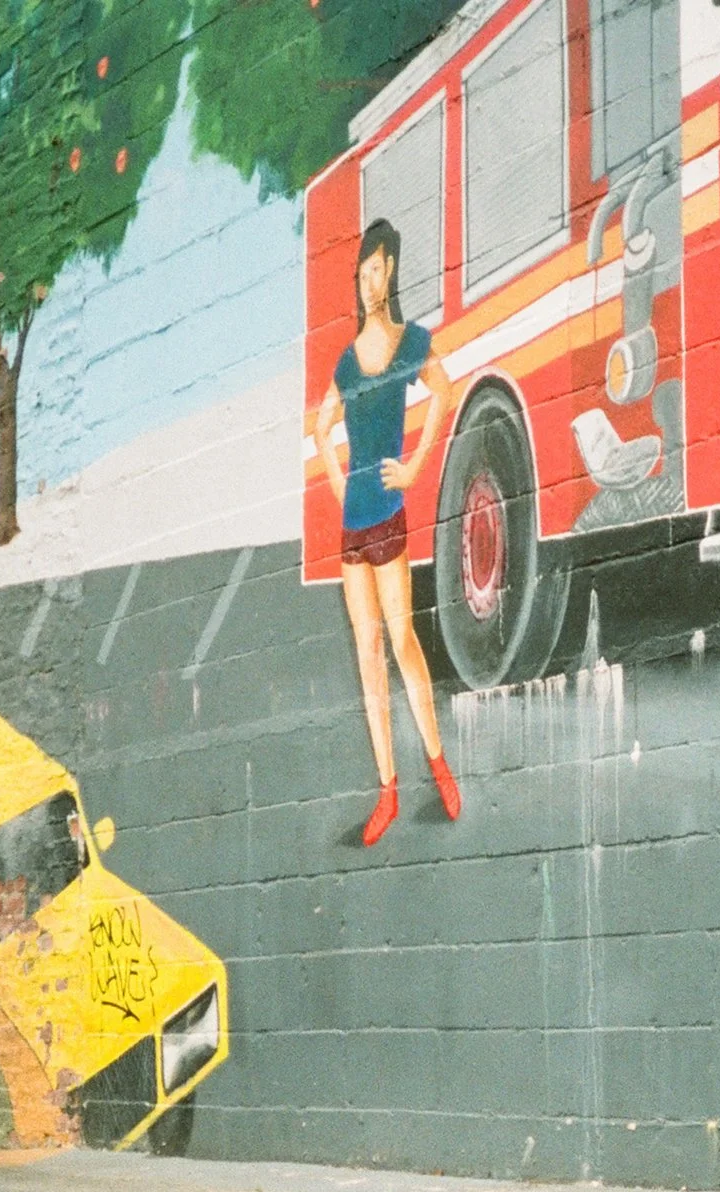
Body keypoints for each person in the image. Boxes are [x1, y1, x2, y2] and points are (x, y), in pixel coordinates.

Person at [313, 217, 463, 847]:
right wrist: (338, 480)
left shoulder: (408, 342)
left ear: (393, 271)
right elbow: (322, 427)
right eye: (363, 272)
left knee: (404, 642)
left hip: (389, 518)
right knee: (368, 657)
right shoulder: (348, 361)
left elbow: (444, 390)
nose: (370, 281)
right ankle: (388, 792)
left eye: (379, 269)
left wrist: (417, 465)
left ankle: (438, 765)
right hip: (353, 525)